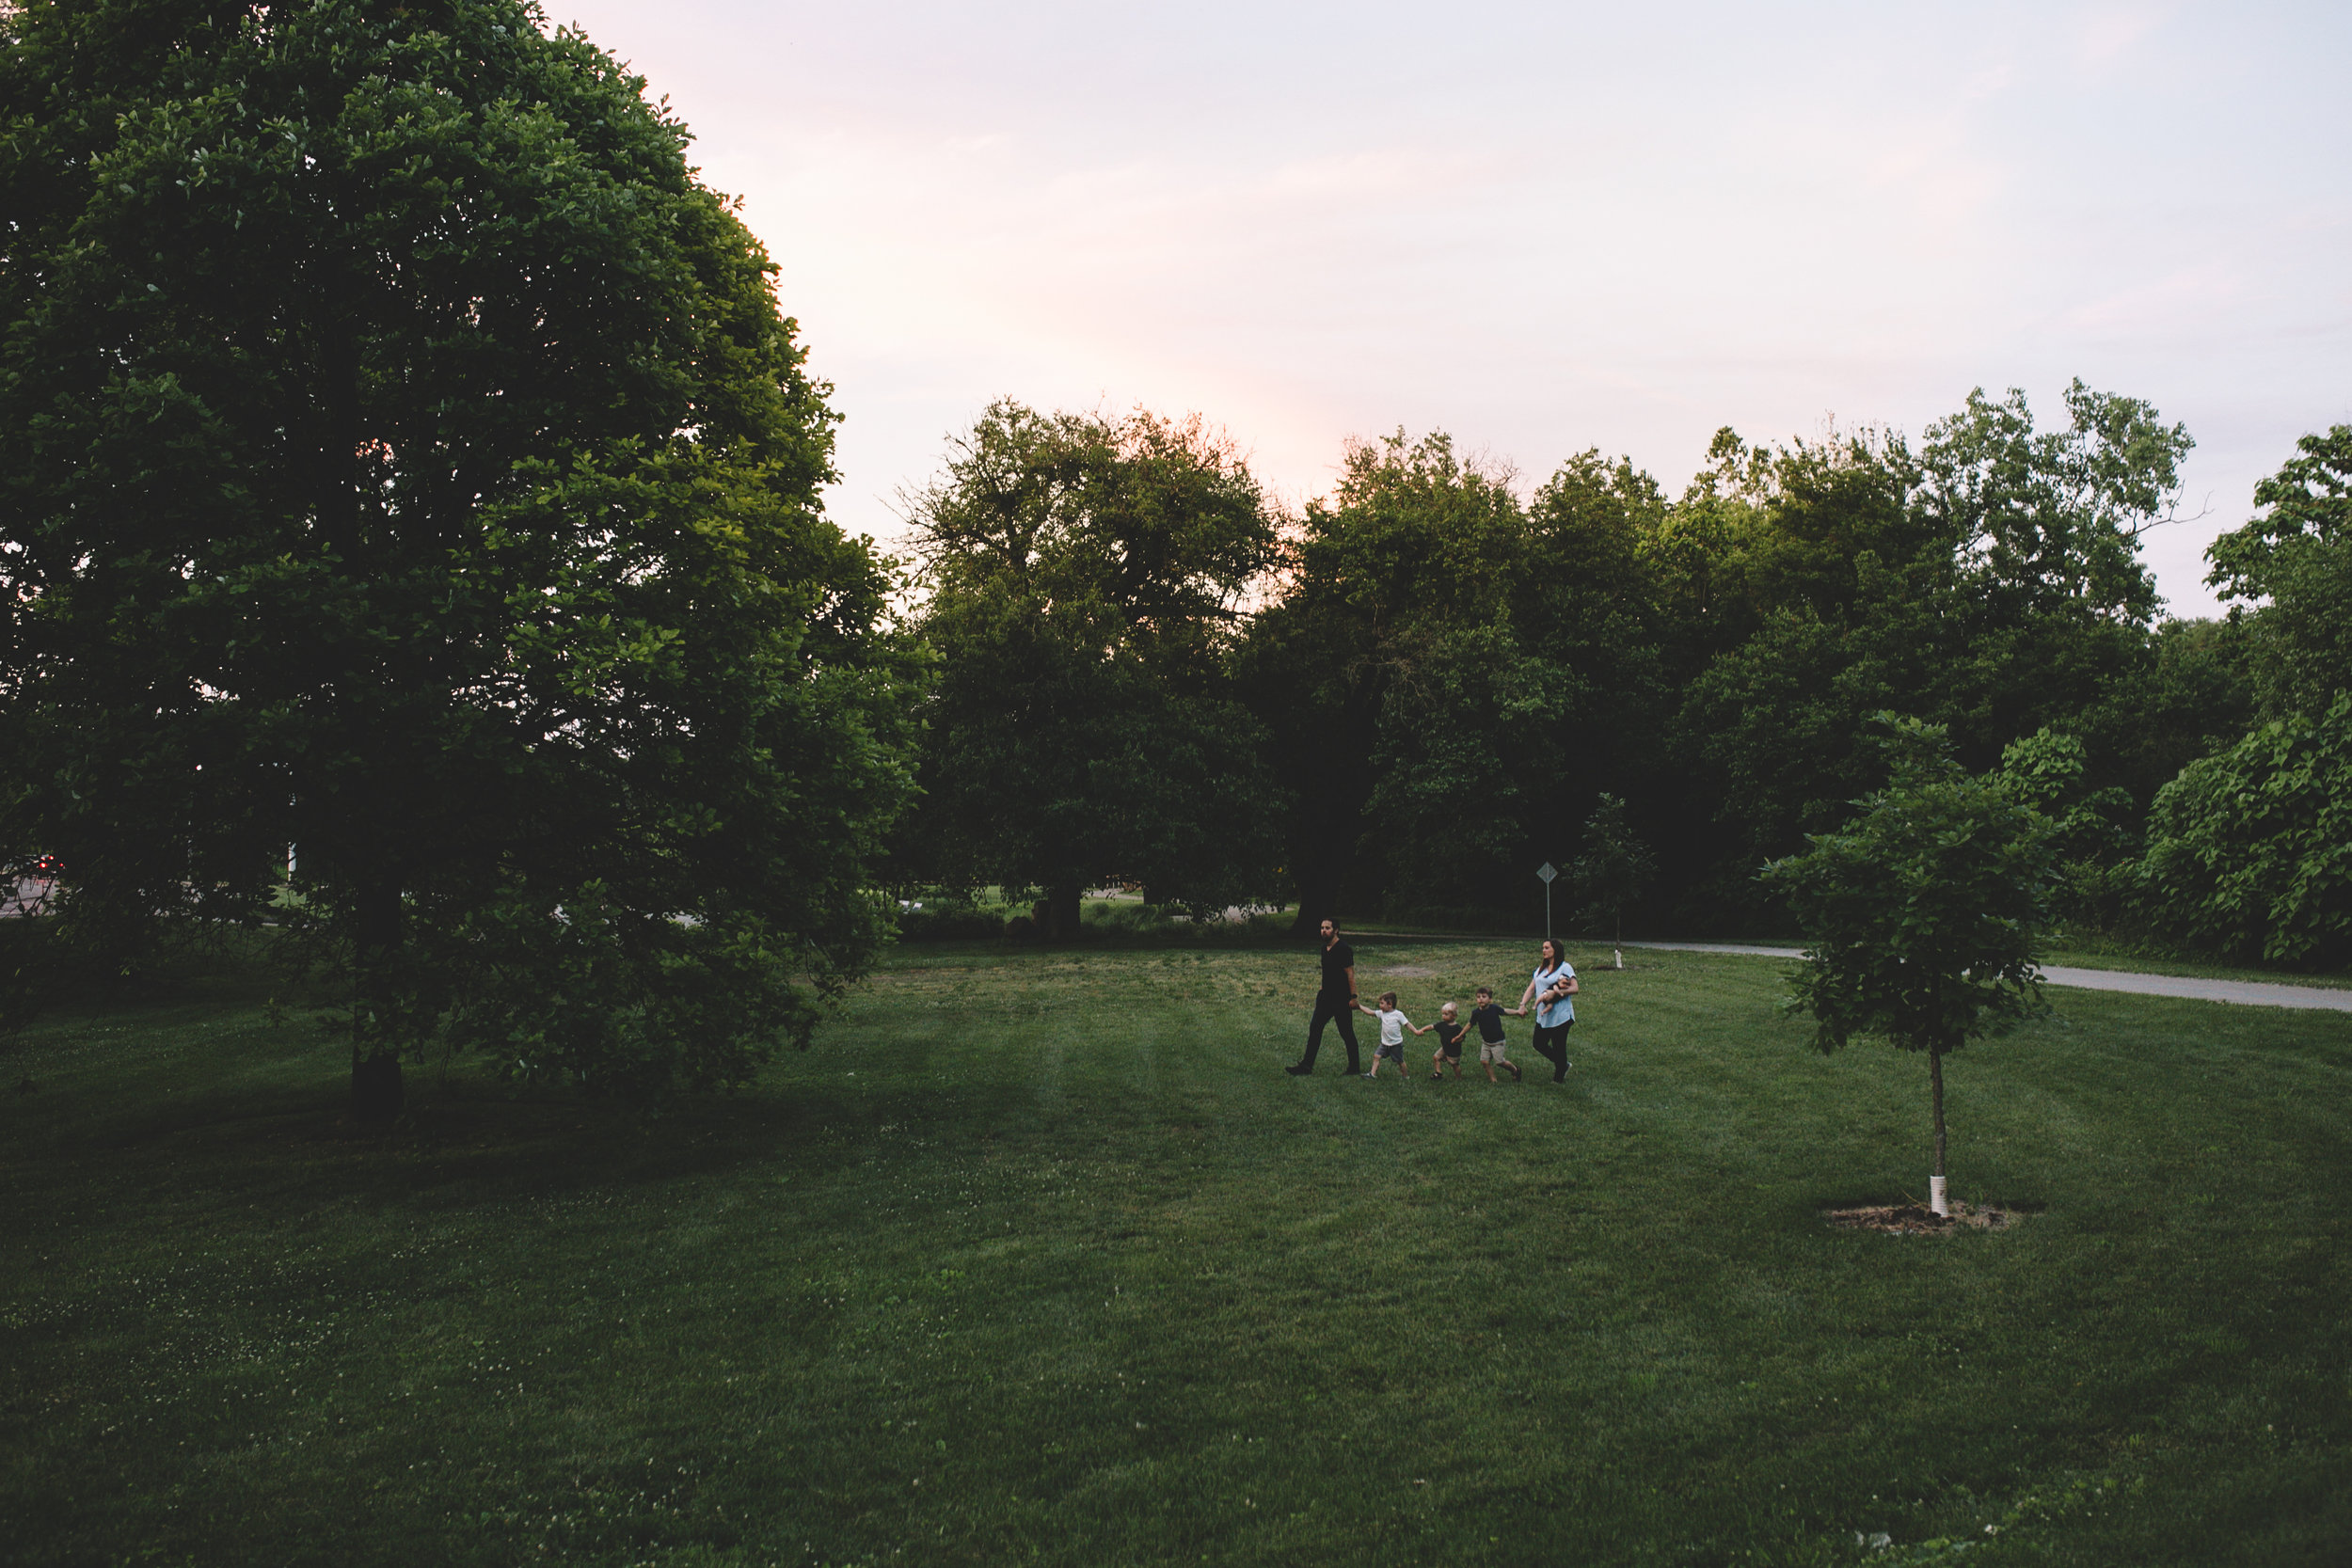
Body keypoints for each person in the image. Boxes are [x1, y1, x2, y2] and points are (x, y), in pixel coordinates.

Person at [1287, 917, 1360, 1076]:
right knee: (1315, 1028)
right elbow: (1326, 972)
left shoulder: (1344, 949)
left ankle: (1354, 1067)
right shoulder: (1323, 949)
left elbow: (1350, 974)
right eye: (1322, 928)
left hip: (1341, 999)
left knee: (1346, 1032)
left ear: (1336, 930)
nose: (1324, 931)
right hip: (1325, 997)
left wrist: (1353, 997)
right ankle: (1306, 1066)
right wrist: (1321, 990)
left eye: (1327, 928)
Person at [1515, 937, 1577, 1083]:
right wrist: (1522, 1004)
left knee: (1559, 1046)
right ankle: (1563, 1064)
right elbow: (1531, 988)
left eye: (1547, 948)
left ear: (1556, 950)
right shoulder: (1540, 970)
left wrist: (1555, 993)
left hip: (1561, 1015)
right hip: (1544, 1016)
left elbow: (1575, 988)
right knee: (1538, 1043)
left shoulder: (1565, 967)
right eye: (1543, 948)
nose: (1544, 950)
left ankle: (1558, 1078)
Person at [1467, 986, 1521, 1082]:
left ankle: (1515, 1070)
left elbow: (1505, 1011)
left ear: (1490, 999)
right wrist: (1460, 1035)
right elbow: (1470, 1024)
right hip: (1486, 1042)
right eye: (1478, 997)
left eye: (1484, 997)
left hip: (1498, 1041)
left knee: (1499, 1062)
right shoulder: (1476, 1013)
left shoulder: (1494, 1008)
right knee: (1484, 1061)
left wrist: (1517, 1012)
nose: (1481, 999)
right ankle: (1493, 1080)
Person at [1358, 990, 1413, 1082]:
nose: (1380, 1005)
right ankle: (1372, 1074)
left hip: (1396, 1044)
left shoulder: (1398, 1015)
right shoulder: (1381, 1013)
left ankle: (1405, 1076)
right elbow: (1370, 1012)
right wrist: (1359, 1006)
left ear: (1390, 1004)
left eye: (1382, 1003)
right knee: (1376, 1056)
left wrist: (1416, 1031)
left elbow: (1407, 1024)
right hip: (1384, 1043)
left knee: (1399, 1061)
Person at [1419, 1001, 1468, 1080]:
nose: (1443, 1016)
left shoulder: (1457, 1028)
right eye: (1443, 1014)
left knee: (1454, 1064)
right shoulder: (1442, 1025)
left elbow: (1463, 1037)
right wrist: (1422, 1029)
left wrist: (1456, 1040)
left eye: (1446, 1014)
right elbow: (1432, 1027)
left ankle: (1459, 1078)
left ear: (1454, 1016)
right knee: (1436, 1057)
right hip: (1444, 1048)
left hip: (1454, 1051)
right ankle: (1438, 1073)